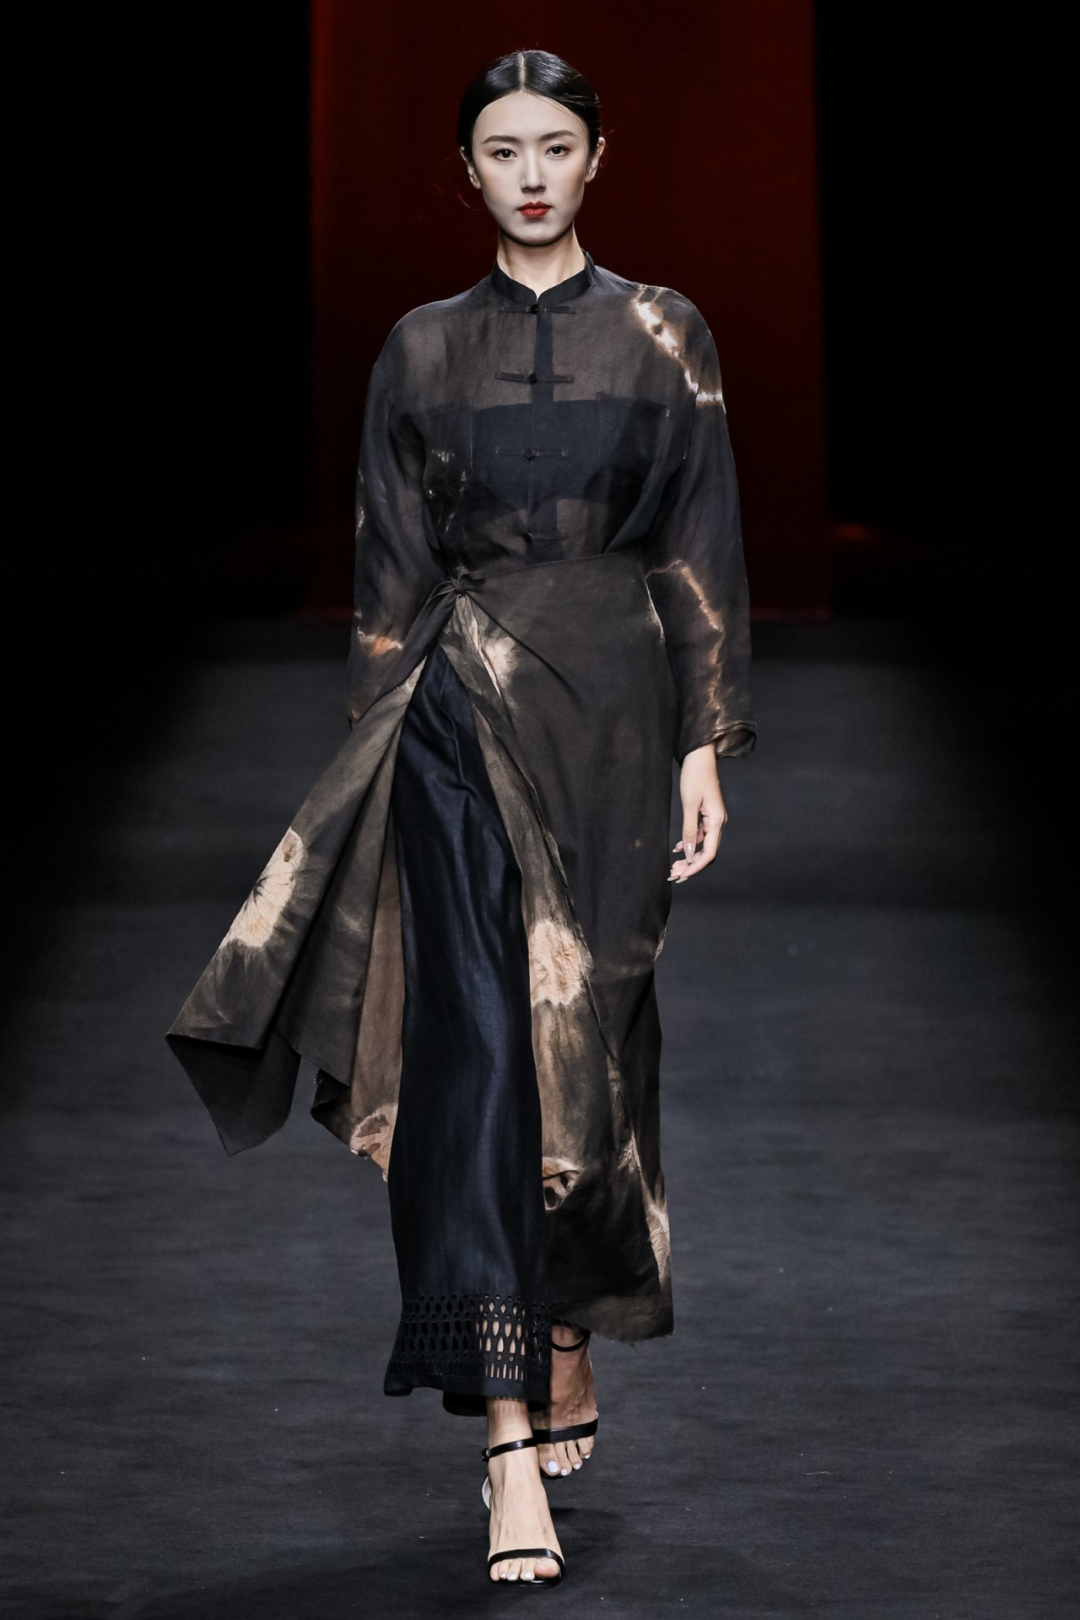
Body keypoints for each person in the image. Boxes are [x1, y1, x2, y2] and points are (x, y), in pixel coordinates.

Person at [167, 47, 755, 1589]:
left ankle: (563, 1326)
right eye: (503, 149)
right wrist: (377, 761)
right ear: (468, 170)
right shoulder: (420, 349)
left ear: (596, 157)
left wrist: (705, 739)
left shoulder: (665, 331)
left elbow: (700, 541)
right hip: (458, 715)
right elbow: (387, 576)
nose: (532, 173)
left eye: (556, 145)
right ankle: (505, 1440)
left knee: (595, 1043)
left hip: (615, 721)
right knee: (479, 1058)